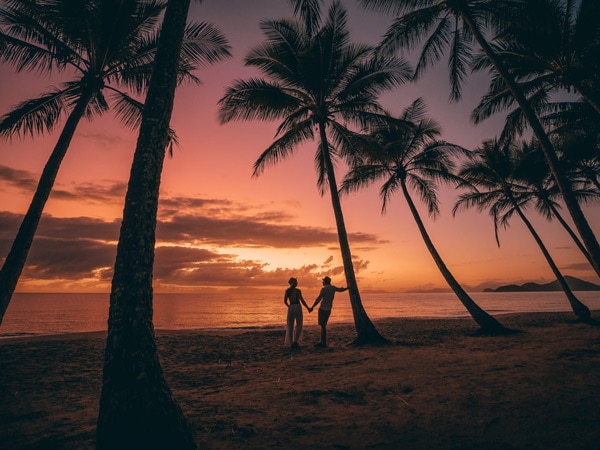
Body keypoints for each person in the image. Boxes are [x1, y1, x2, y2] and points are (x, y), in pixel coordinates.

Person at [309, 276, 347, 347]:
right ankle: (322, 341)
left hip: (322, 309)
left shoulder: (324, 289)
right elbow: (341, 290)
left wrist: (312, 307)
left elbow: (318, 299)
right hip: (328, 309)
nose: (322, 282)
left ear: (325, 282)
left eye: (323, 281)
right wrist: (348, 287)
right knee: (324, 326)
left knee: (323, 326)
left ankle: (323, 342)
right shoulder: (333, 288)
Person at [284, 277, 310, 348]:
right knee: (299, 324)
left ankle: (291, 342)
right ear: (294, 283)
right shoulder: (298, 291)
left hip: (291, 306)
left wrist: (289, 306)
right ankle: (296, 341)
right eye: (296, 282)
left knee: (290, 324)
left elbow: (285, 301)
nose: (297, 283)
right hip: (297, 306)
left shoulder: (287, 291)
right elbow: (302, 300)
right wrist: (308, 308)